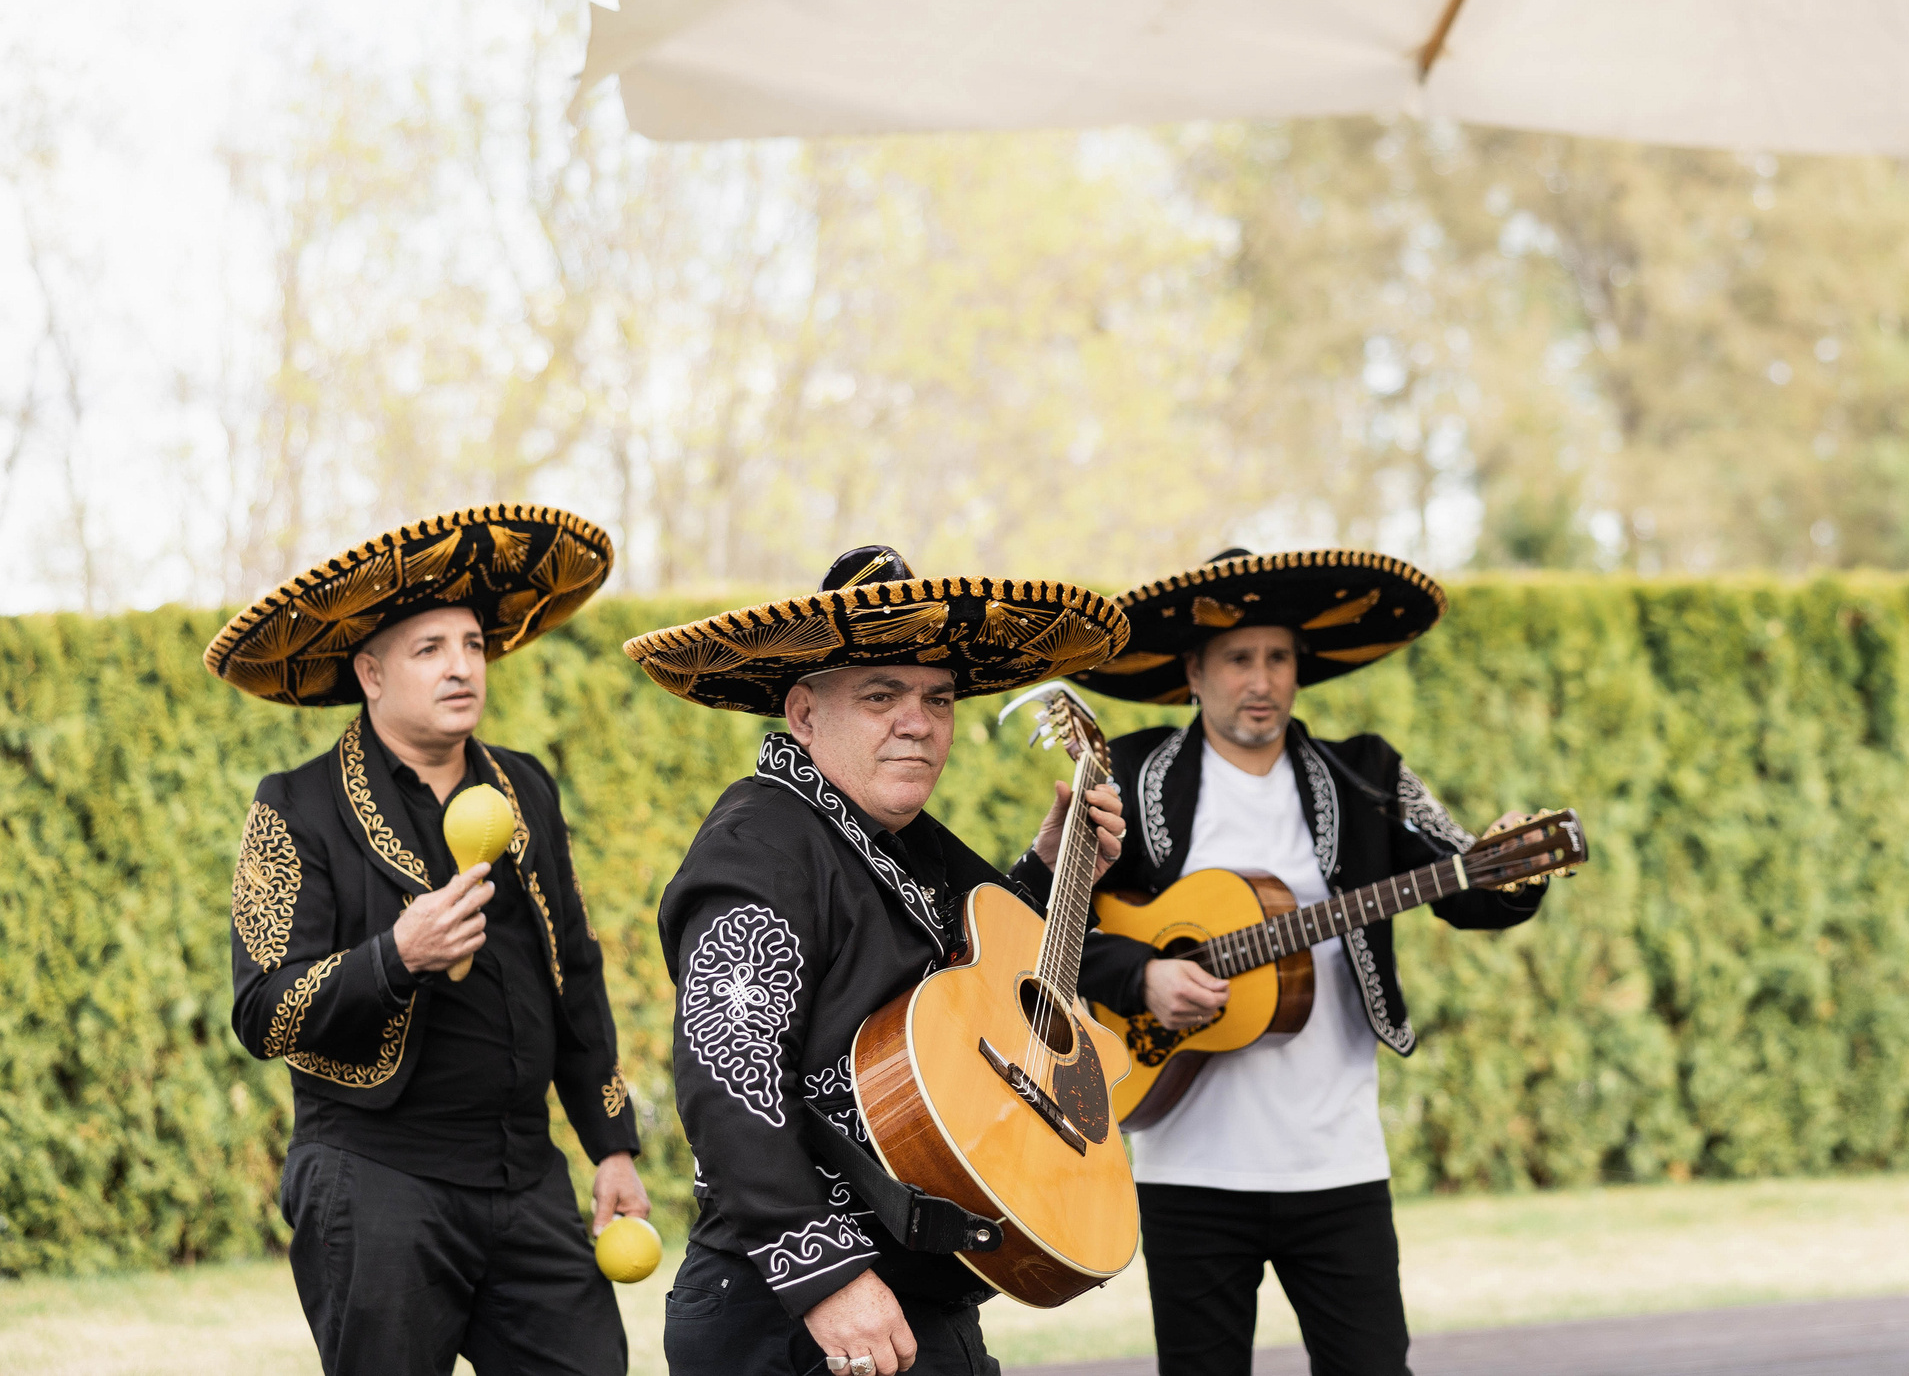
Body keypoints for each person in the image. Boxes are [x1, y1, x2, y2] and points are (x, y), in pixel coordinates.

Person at [626, 545, 1133, 1376]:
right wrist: (824, 1275)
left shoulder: (912, 842)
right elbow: (727, 1067)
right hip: (791, 1317)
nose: (918, 722)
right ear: (803, 713)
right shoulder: (758, 844)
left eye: (939, 698)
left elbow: (992, 987)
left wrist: (1051, 870)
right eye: (880, 695)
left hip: (918, 1299)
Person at [1065, 548, 1551, 1376]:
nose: (1261, 680)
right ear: (1194, 671)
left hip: (1336, 1160)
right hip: (1188, 1165)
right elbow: (1050, 924)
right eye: (1238, 658)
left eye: (1279, 657)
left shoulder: (1367, 775)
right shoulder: (1133, 775)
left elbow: (1463, 882)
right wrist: (1141, 975)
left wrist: (1513, 874)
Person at [212, 505, 645, 1376]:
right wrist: (394, 956)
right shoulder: (294, 805)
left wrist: (612, 1143)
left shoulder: (527, 787)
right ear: (370, 672)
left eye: (473, 645)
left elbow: (575, 972)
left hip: (526, 1176)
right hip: (375, 1179)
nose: (462, 666)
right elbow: (263, 1010)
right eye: (430, 648)